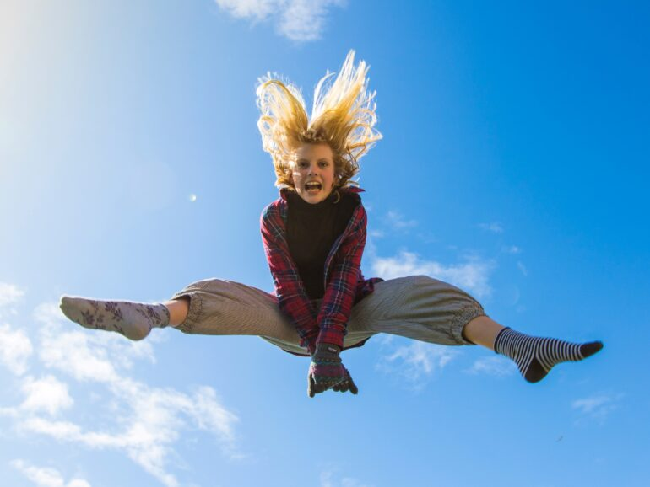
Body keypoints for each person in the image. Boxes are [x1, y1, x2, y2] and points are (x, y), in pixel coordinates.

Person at [60, 50, 603, 398]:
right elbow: (287, 287)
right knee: (223, 292)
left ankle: (517, 346)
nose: (313, 172)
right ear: (289, 172)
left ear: (335, 171)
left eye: (322, 164)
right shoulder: (274, 219)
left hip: (351, 317)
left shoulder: (352, 214)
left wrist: (330, 350)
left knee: (417, 290)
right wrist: (313, 347)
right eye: (303, 165)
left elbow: (344, 282)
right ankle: (149, 314)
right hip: (292, 322)